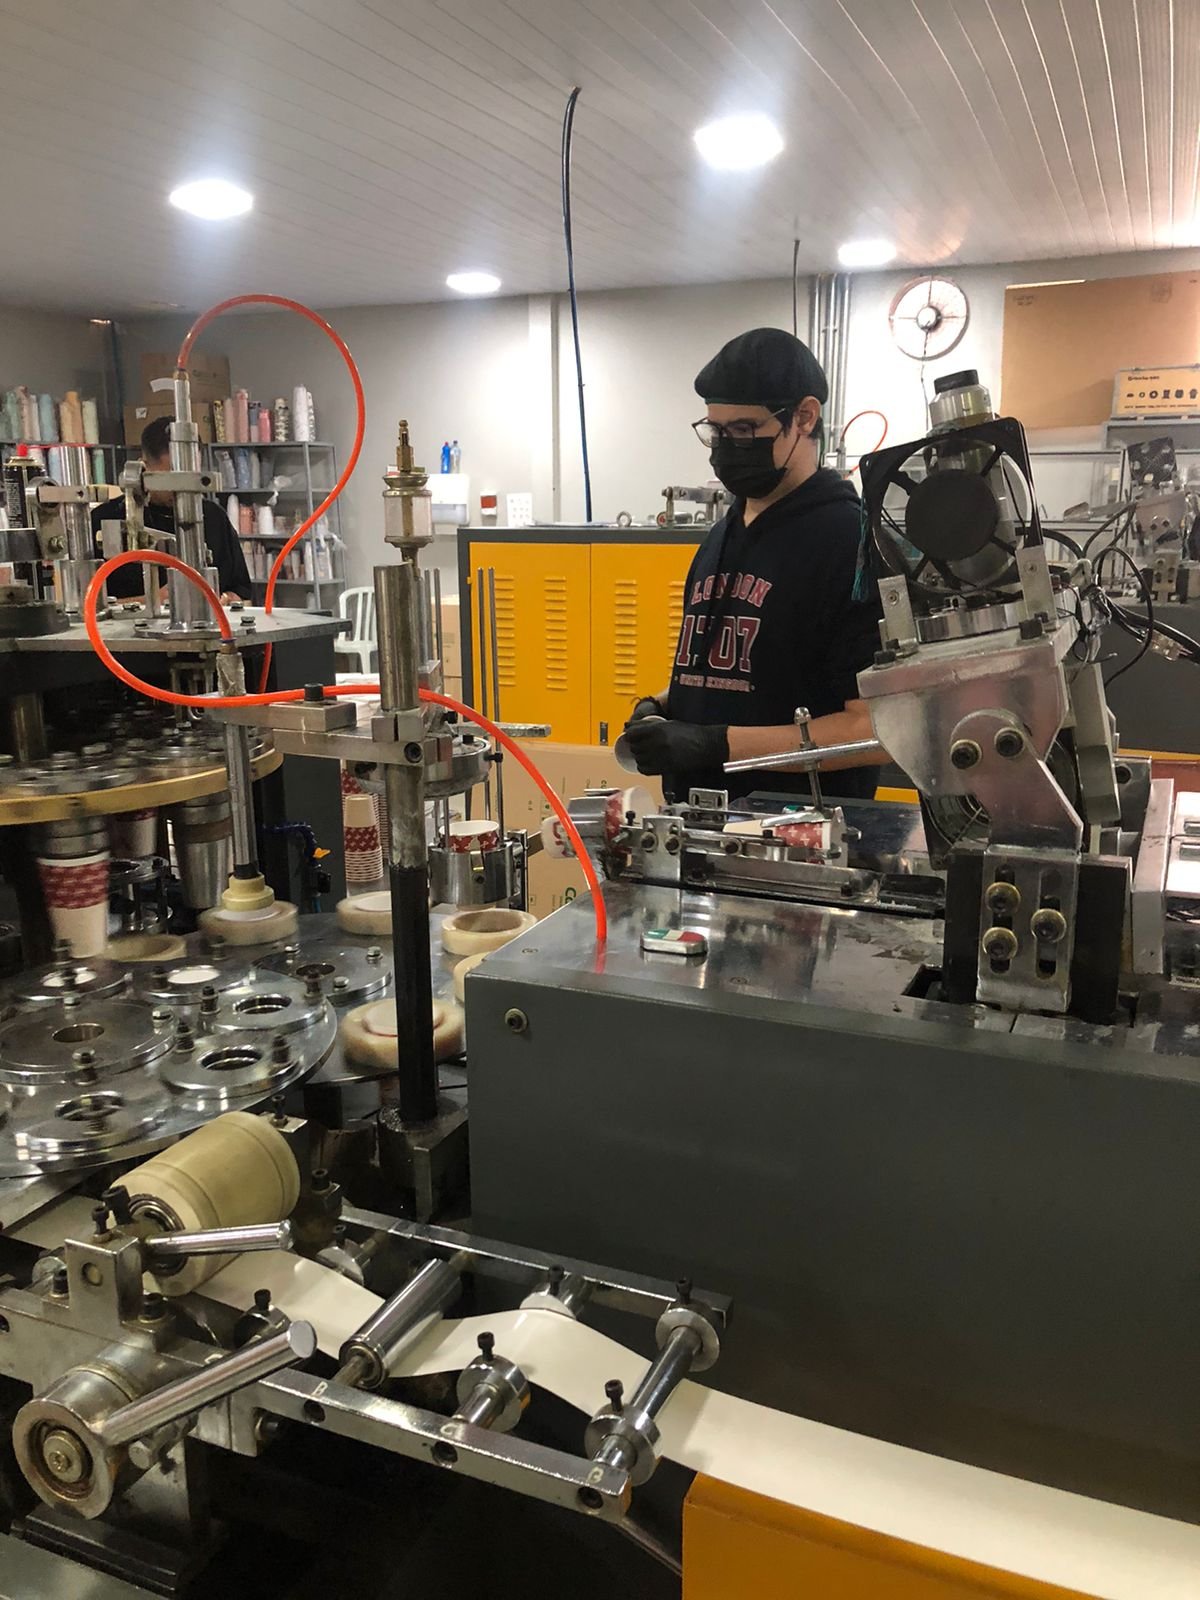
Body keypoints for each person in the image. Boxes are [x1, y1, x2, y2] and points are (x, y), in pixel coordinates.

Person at [624, 326, 883, 802]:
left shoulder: (850, 542)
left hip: (799, 833)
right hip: (700, 824)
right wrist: (661, 705)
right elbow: (745, 679)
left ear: (804, 417)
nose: (726, 447)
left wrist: (715, 745)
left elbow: (872, 730)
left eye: (744, 430)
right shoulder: (724, 534)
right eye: (716, 432)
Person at [92, 416, 251, 602]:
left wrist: (225, 600)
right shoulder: (105, 519)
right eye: (172, 479)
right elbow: (88, 606)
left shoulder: (214, 517)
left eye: (193, 477)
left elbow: (242, 591)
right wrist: (153, 600)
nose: (184, 490)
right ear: (143, 469)